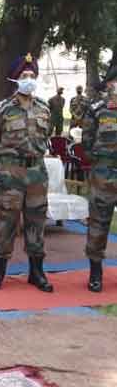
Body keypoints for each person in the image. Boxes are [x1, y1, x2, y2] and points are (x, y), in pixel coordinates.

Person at [0, 53, 53, 293]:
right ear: (15, 79)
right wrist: (6, 162)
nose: (29, 79)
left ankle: (37, 272)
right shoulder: (2, 109)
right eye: (24, 75)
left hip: (36, 173)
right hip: (10, 172)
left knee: (37, 221)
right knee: (6, 220)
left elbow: (46, 137)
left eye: (32, 75)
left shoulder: (44, 108)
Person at [82, 65, 117, 292]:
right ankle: (95, 272)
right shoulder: (97, 109)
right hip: (103, 174)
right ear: (109, 83)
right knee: (98, 222)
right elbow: (86, 142)